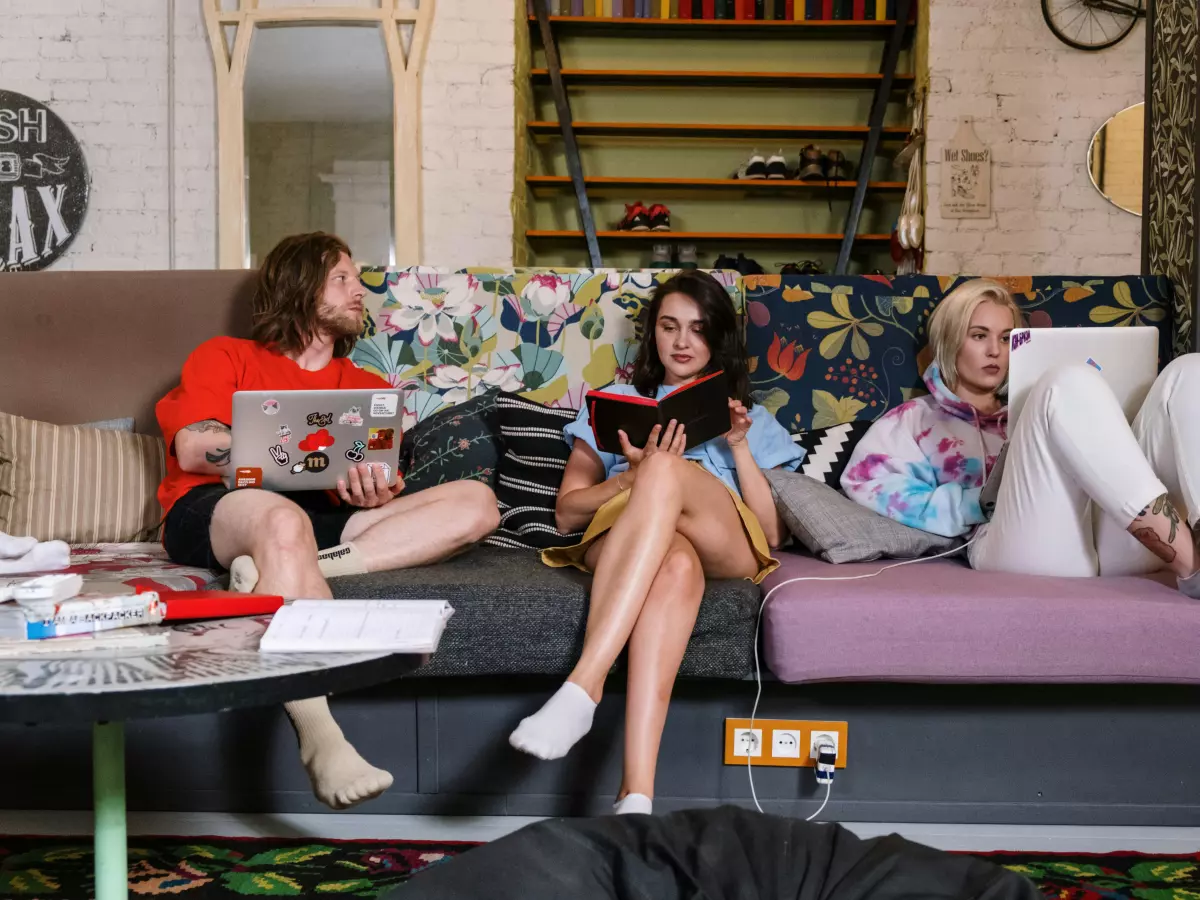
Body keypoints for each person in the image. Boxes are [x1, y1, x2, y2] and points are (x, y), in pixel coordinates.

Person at [156, 232, 500, 809]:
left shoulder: (366, 388)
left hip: (324, 521)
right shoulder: (225, 355)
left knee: (476, 503)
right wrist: (290, 454)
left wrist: (376, 489)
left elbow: (380, 483)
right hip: (218, 506)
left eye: (355, 278)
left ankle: (287, 568)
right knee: (281, 519)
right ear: (298, 285)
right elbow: (194, 450)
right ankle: (321, 735)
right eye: (341, 278)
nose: (357, 290)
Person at [508, 270, 805, 815]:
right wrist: (631, 476)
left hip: (725, 535)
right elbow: (569, 512)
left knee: (667, 470)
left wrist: (736, 445)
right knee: (674, 565)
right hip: (626, 531)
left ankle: (584, 686)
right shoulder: (615, 402)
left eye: (697, 328)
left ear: (717, 339)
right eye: (669, 327)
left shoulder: (751, 419)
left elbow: (771, 534)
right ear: (653, 336)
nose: (683, 341)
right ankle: (636, 798)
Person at [841, 278, 1200, 594]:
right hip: (1011, 542)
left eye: (1007, 338)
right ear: (950, 342)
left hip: (1116, 538)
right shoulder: (914, 419)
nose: (995, 351)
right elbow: (865, 481)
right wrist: (973, 502)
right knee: (1067, 381)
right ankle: (1192, 565)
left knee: (1190, 371)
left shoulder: (1033, 408)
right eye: (979, 336)